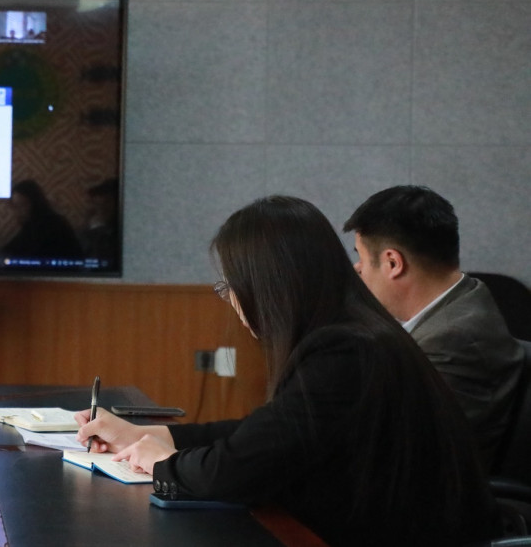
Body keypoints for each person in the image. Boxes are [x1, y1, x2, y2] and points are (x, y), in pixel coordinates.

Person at [76, 196, 496, 546]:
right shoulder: (353, 333)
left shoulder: (345, 351)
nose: (232, 301)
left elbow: (239, 469)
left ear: (266, 285)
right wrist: (153, 436)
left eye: (230, 287)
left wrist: (164, 464)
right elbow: (267, 433)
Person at [343, 185, 524, 470]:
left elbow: (399, 448)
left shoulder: (452, 340)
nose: (358, 269)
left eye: (361, 258)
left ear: (392, 262)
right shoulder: (469, 294)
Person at [1, 179, 83, 261]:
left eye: (23, 205)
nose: (19, 211)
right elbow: (8, 250)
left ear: (36, 203)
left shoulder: (53, 224)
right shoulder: (30, 225)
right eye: (16, 206)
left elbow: (30, 256)